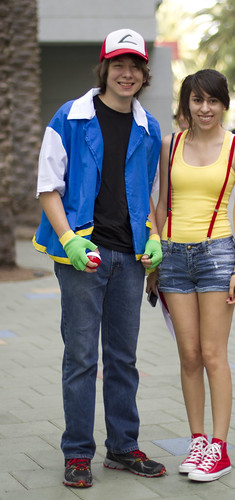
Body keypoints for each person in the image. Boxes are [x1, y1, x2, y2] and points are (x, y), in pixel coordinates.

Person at [32, 28, 166, 488]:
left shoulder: (150, 129)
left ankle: (123, 448)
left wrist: (153, 237)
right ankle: (77, 454)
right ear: (105, 68)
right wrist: (69, 239)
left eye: (135, 66)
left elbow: (150, 194)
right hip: (82, 256)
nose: (126, 74)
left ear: (144, 73)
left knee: (123, 358)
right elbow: (48, 186)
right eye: (119, 65)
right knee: (82, 357)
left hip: (130, 259)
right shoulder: (69, 117)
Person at [146, 69, 235, 482]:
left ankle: (219, 449)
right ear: (186, 104)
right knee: (188, 355)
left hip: (216, 256)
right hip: (171, 257)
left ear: (224, 103)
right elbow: (161, 203)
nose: (204, 108)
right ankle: (197, 442)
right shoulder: (170, 144)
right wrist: (153, 260)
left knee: (212, 354)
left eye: (212, 100)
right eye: (196, 100)